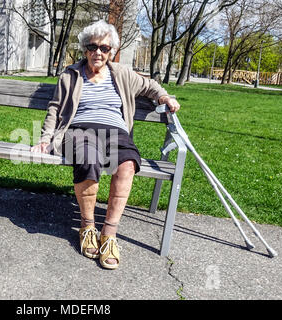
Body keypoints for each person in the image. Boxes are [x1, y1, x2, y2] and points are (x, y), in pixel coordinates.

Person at [31, 20, 180, 269]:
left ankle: (109, 234)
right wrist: (45, 139)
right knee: (88, 159)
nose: (98, 52)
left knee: (128, 164)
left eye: (104, 48)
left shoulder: (121, 74)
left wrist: (165, 96)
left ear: (111, 51)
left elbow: (150, 86)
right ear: (85, 49)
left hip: (116, 131)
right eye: (92, 47)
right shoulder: (71, 75)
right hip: (80, 130)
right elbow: (54, 109)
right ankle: (88, 227)